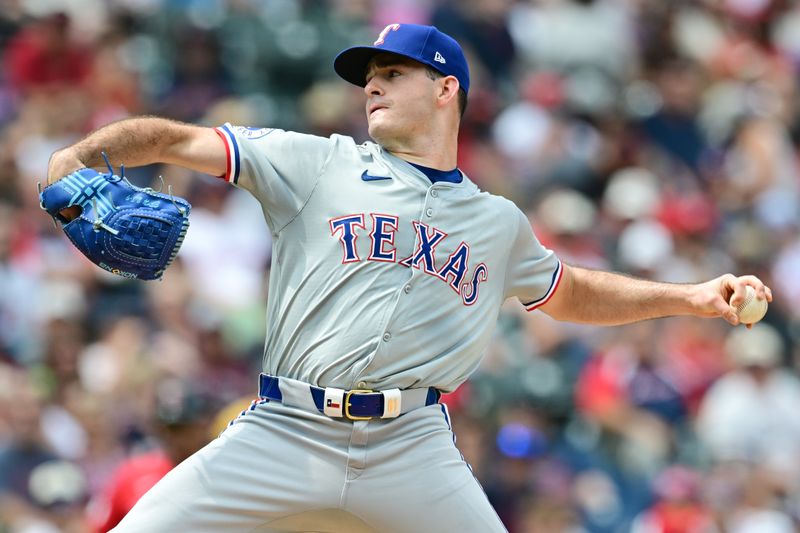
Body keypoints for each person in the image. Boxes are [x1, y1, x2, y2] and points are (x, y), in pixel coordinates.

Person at [46, 23, 771, 533]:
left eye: (392, 73)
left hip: (410, 448)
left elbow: (571, 291)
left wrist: (691, 298)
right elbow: (176, 139)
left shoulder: (496, 221)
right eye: (369, 78)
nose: (372, 87)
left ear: (446, 88)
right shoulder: (316, 161)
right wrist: (83, 151)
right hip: (285, 428)